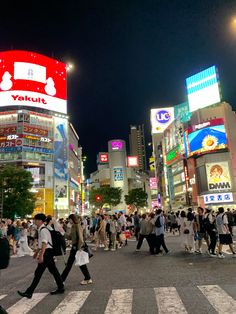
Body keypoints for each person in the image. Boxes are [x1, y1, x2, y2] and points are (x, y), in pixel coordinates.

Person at [17, 213, 64, 299]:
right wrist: (36, 253)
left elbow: (44, 243)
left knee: (38, 273)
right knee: (53, 270)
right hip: (47, 252)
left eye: (35, 219)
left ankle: (29, 292)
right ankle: (61, 287)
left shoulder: (43, 230)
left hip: (47, 253)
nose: (34, 221)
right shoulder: (41, 229)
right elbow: (41, 244)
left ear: (40, 221)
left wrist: (41, 255)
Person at [61, 214, 92, 285]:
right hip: (77, 247)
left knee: (70, 264)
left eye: (69, 219)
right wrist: (63, 233)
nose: (69, 220)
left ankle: (61, 280)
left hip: (76, 247)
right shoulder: (76, 225)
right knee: (81, 263)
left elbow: (81, 238)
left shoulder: (76, 226)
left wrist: (79, 248)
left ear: (72, 219)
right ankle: (88, 278)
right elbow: (71, 237)